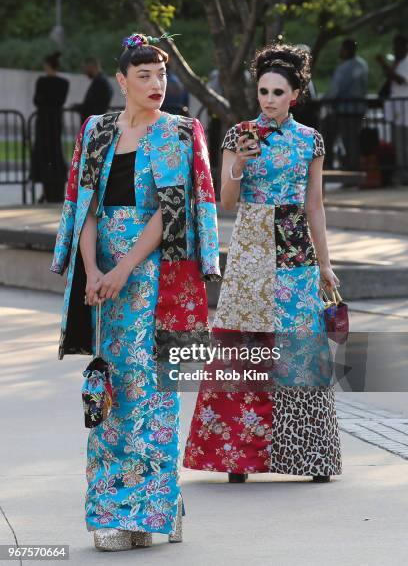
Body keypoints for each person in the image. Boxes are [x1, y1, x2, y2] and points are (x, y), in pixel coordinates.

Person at [50, 32, 220, 551]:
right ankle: (118, 513)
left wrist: (121, 269)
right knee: (110, 393)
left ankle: (151, 514)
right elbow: (83, 204)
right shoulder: (96, 130)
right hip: (101, 280)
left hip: (156, 276)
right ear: (121, 81)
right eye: (144, 75)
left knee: (153, 394)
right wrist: (92, 271)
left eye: (162, 75)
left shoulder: (181, 132)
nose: (156, 84)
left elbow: (171, 214)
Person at [184, 42, 342, 484]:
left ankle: (312, 459)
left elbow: (315, 206)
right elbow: (226, 201)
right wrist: (240, 166)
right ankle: (238, 458)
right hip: (251, 248)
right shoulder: (239, 135)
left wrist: (325, 264)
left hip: (295, 250)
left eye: (277, 92)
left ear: (295, 95)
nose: (268, 99)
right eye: (263, 91)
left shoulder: (311, 140)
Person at [322, 38, 368, 170]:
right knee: (351, 139)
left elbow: (336, 89)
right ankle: (350, 166)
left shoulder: (346, 67)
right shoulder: (362, 64)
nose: (340, 51)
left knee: (348, 140)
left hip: (346, 109)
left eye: (342, 49)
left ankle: (349, 168)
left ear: (347, 50)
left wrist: (324, 100)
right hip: (356, 109)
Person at [30, 51, 69, 203]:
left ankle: (47, 190)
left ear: (47, 66)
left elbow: (37, 100)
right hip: (55, 123)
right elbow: (60, 101)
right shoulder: (64, 83)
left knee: (43, 155)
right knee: (55, 153)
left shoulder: (42, 82)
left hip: (43, 123)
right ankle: (56, 190)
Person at [378, 34, 408, 178]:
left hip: (405, 108)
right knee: (398, 143)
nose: (395, 49)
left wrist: (383, 64)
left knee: (404, 143)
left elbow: (400, 80)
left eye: (397, 46)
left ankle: (403, 173)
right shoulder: (398, 62)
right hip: (397, 110)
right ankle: (401, 173)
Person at [73, 57, 113, 123]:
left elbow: (93, 106)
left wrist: (79, 108)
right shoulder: (101, 81)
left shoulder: (100, 82)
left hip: (94, 123)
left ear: (92, 67)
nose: (84, 71)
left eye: (85, 68)